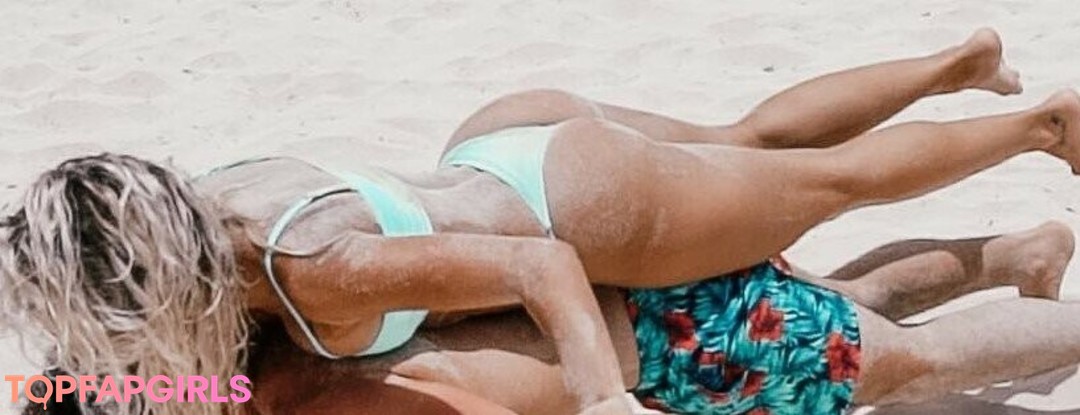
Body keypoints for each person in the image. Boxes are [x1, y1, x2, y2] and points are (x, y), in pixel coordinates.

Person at [5, 28, 1080, 414]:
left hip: (591, 221)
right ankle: (969, 99)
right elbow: (84, 388)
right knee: (756, 147)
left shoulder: (310, 276)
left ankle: (1038, 125)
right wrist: (54, 389)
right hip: (501, 155)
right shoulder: (207, 208)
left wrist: (605, 403)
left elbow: (542, 264)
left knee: (832, 187)